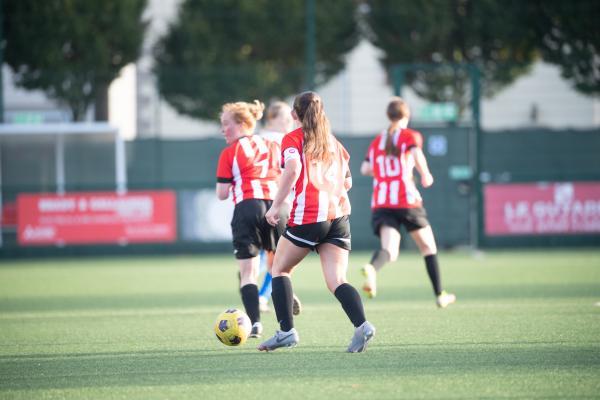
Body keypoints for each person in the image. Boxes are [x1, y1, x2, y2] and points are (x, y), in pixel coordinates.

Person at [258, 91, 376, 353]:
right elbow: (348, 182)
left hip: (309, 216)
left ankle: (286, 332)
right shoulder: (333, 142)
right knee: (337, 279)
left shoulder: (292, 138)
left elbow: (292, 169)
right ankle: (362, 326)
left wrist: (275, 206)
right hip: (339, 217)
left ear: (293, 114)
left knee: (279, 269)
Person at [360, 97, 456, 308]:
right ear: (407, 115)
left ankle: (372, 268)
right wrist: (425, 174)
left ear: (388, 115)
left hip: (382, 202)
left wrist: (385, 172)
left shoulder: (378, 140)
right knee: (428, 247)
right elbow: (416, 153)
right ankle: (440, 294)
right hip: (406, 200)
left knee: (390, 251)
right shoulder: (408, 135)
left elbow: (364, 169)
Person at [215, 100, 282, 338]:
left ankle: (255, 323)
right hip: (275, 208)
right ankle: (286, 319)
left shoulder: (230, 152)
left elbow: (222, 194)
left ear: (243, 123)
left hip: (248, 207)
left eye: (226, 124)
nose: (223, 130)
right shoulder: (273, 145)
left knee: (248, 273)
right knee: (279, 268)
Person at [256, 101, 300, 314]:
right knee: (279, 255)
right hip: (278, 204)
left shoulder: (254, 139)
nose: (289, 121)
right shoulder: (285, 140)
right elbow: (291, 173)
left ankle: (267, 290)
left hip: (253, 202)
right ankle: (267, 293)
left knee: (265, 255)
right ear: (271, 118)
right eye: (284, 117)